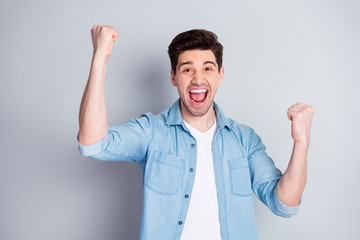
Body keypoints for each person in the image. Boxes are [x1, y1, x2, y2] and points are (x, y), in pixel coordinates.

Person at [78, 24, 315, 240]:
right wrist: (100, 57)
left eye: (208, 68)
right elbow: (93, 142)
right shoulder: (152, 132)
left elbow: (285, 204)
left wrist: (301, 142)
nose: (198, 79)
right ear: (173, 77)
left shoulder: (244, 139)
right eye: (187, 70)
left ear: (220, 75)